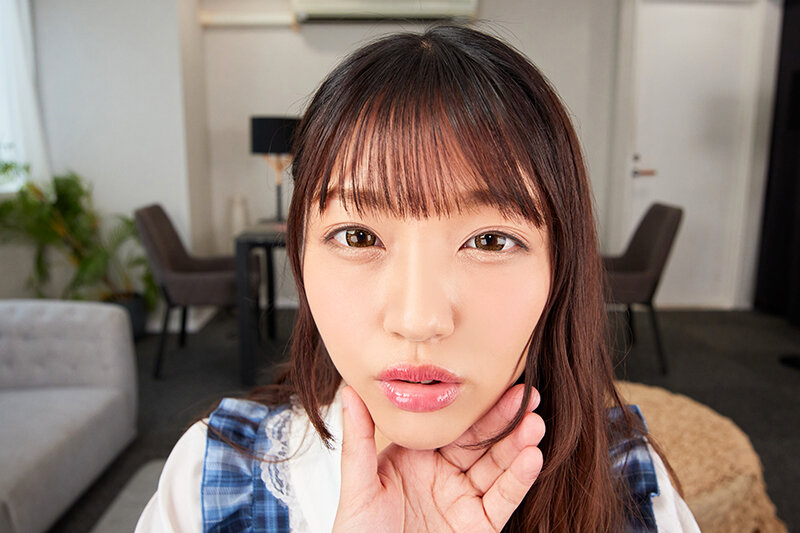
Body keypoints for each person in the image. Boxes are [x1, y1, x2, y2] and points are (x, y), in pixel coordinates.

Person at [136, 25, 700, 532]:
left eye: (490, 241)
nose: (418, 320)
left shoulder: (632, 489)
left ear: (560, 269)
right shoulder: (208, 485)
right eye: (359, 236)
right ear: (300, 257)